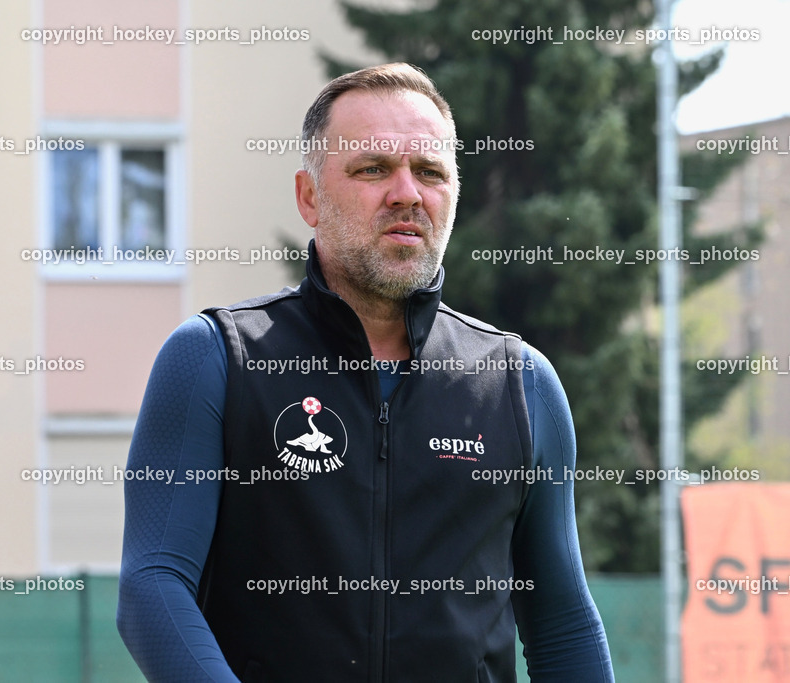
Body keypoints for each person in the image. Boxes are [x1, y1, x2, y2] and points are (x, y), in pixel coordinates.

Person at [117, 62, 614, 682]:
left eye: (430, 171)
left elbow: (562, 622)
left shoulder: (521, 384)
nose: (407, 192)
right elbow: (152, 589)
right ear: (309, 197)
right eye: (373, 168)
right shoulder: (216, 359)